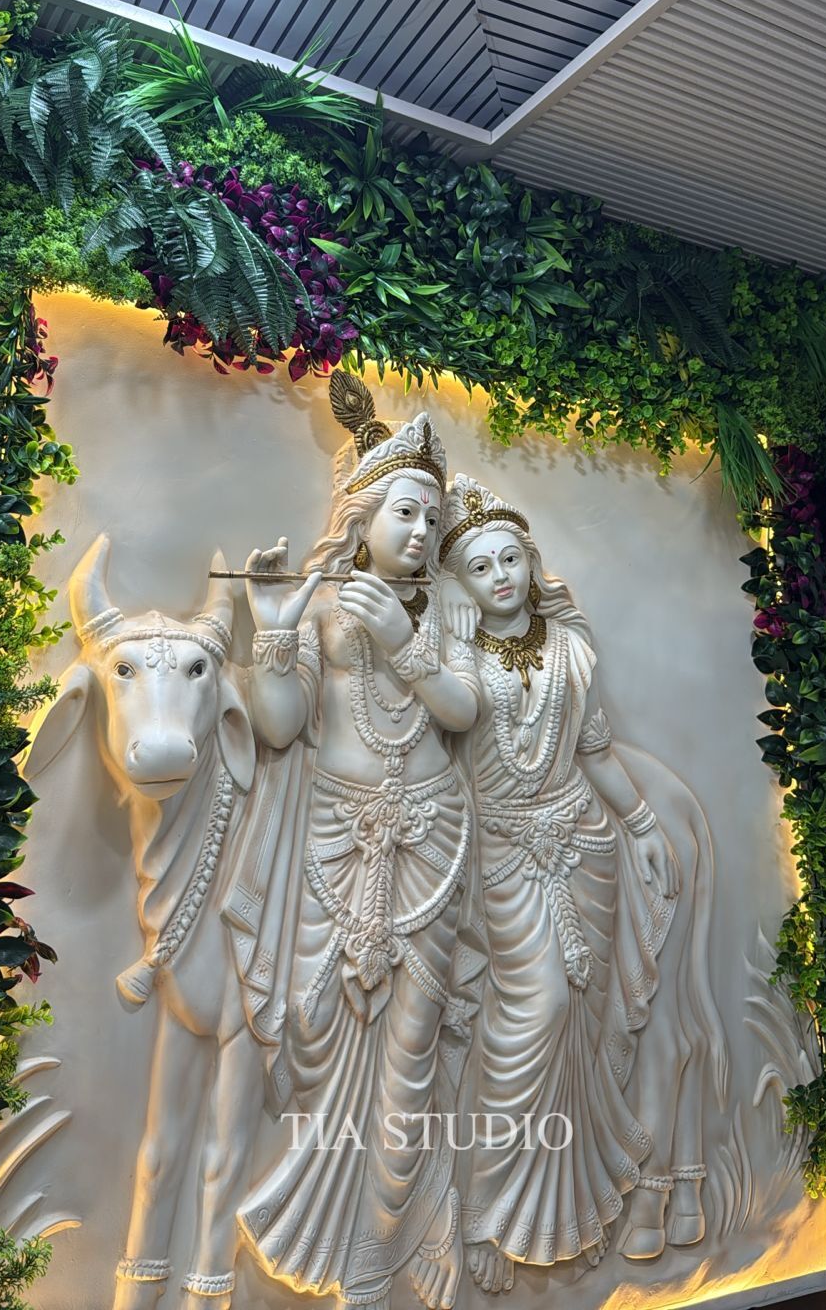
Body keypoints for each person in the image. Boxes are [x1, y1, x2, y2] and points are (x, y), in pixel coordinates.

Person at [233, 376, 485, 1310]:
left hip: (431, 841)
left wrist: (408, 647)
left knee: (410, 1058)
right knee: (313, 1030)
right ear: (363, 516)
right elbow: (278, 724)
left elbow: (463, 709)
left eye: (433, 518)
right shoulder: (322, 600)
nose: (421, 532)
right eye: (405, 512)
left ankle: (379, 1254)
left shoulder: (449, 608)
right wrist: (272, 634)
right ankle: (325, 1224)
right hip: (336, 837)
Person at [439, 475, 680, 1292]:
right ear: (461, 583)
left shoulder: (572, 648)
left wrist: (641, 827)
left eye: (510, 558)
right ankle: (488, 1212)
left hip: (585, 846)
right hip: (503, 857)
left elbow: (595, 750)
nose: (501, 576)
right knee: (530, 1019)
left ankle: (568, 1211)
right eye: (480, 567)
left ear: (531, 561)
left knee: (582, 1020)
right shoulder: (457, 658)